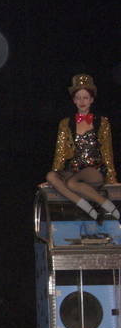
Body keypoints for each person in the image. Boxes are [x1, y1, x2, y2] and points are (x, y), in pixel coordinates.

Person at [45, 74, 118, 220]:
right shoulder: (66, 123)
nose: (82, 101)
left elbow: (107, 151)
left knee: (72, 183)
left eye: (85, 97)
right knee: (51, 176)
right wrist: (55, 174)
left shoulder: (102, 122)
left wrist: (112, 177)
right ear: (74, 100)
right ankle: (89, 209)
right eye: (78, 98)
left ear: (91, 100)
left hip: (94, 170)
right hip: (74, 169)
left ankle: (107, 205)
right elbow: (60, 152)